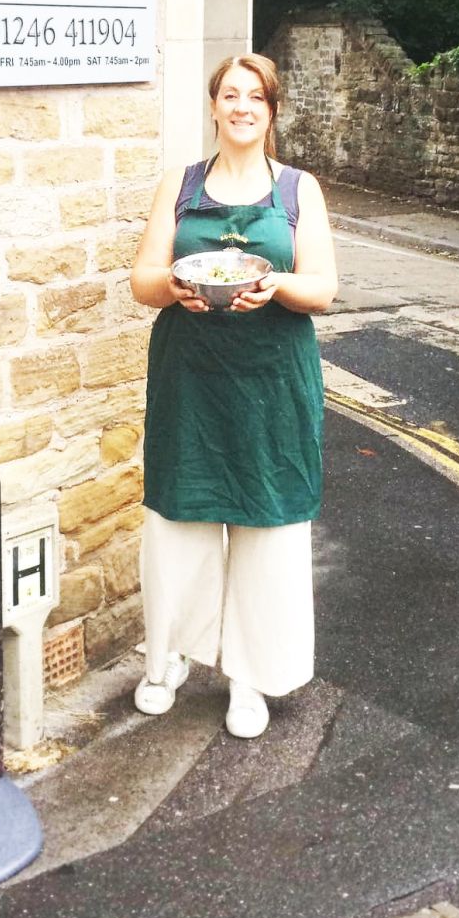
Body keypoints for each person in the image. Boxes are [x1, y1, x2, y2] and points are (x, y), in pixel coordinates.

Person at [129, 53, 338, 738]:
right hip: (191, 374)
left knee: (265, 522)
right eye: (230, 94)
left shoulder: (299, 190)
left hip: (272, 379)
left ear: (272, 110)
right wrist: (178, 288)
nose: (242, 105)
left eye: (256, 96)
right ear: (213, 105)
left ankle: (249, 674)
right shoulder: (180, 184)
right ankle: (169, 658)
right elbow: (144, 278)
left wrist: (274, 284)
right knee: (178, 517)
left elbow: (322, 290)